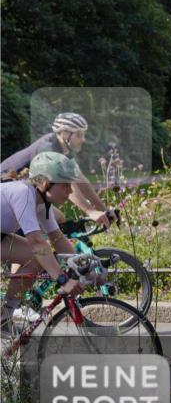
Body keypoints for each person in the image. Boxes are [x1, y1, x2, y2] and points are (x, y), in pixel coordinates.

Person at [1, 152, 87, 331]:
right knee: (38, 253)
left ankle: (4, 317)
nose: (70, 192)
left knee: (35, 259)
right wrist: (63, 280)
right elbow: (37, 243)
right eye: (65, 186)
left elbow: (58, 239)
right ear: (46, 183)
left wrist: (86, 269)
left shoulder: (41, 202)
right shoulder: (23, 192)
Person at [0, 113, 115, 228]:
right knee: (56, 219)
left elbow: (79, 178)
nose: (83, 139)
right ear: (64, 133)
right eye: (79, 135)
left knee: (58, 220)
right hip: (6, 190)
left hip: (23, 191)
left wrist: (103, 209)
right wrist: (90, 211)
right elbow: (67, 185)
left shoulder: (62, 149)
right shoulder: (49, 148)